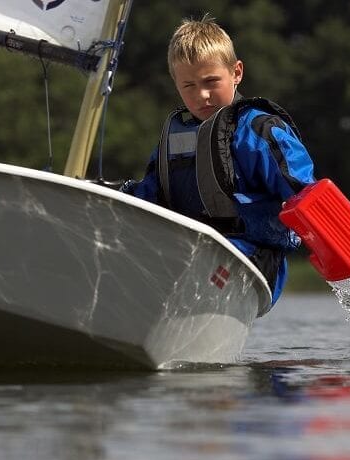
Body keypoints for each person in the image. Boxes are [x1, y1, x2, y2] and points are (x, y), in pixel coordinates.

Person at [122, 15, 316, 308]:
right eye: (188, 86)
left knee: (191, 265)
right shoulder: (173, 139)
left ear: (236, 73)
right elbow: (150, 194)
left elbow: (305, 192)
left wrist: (339, 249)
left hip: (253, 260)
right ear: (176, 84)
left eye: (211, 81)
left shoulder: (259, 130)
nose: (201, 95)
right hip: (187, 255)